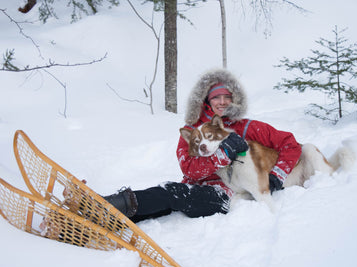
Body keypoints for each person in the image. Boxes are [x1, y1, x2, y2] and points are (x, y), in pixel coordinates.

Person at [103, 69, 302, 223]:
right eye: (216, 97)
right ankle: (112, 215)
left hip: (223, 193)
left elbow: (290, 144)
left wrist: (276, 176)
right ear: (207, 99)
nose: (222, 102)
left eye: (227, 97)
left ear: (234, 99)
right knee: (168, 198)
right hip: (194, 186)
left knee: (172, 194)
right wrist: (222, 155)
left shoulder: (247, 126)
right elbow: (189, 168)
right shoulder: (193, 131)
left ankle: (108, 207)